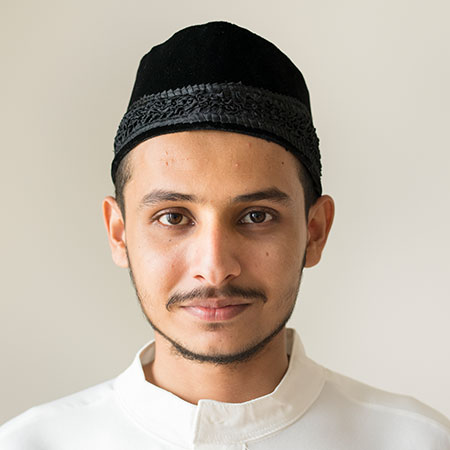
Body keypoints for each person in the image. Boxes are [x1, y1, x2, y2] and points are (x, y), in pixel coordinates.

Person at [0, 20, 448, 450]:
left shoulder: (417, 442)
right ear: (119, 234)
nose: (214, 268)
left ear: (315, 231)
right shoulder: (31, 444)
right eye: (173, 217)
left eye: (256, 216)